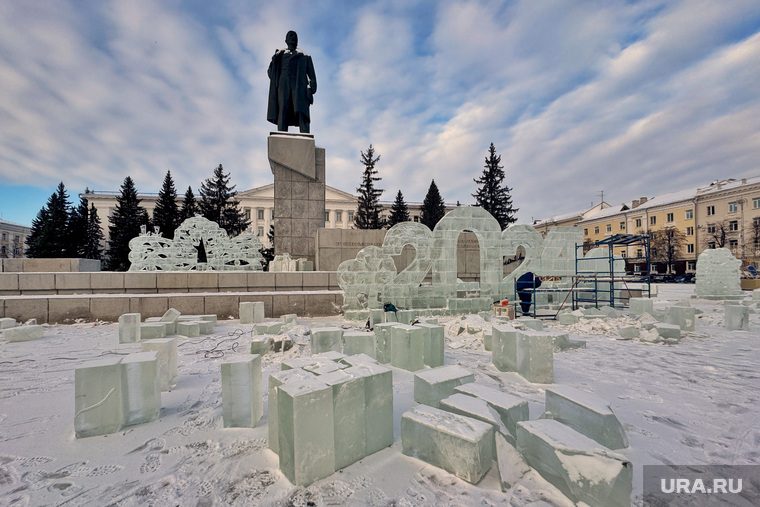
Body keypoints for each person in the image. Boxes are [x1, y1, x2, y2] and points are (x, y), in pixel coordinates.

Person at [267, 31, 317, 133]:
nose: (293, 38)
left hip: (299, 86)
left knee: (301, 111)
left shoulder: (304, 56)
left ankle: (305, 135)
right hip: (283, 84)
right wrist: (274, 61)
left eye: (295, 36)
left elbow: (312, 76)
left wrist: (310, 89)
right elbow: (271, 74)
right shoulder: (280, 55)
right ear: (286, 40)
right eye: (290, 36)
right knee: (283, 108)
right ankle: (281, 133)